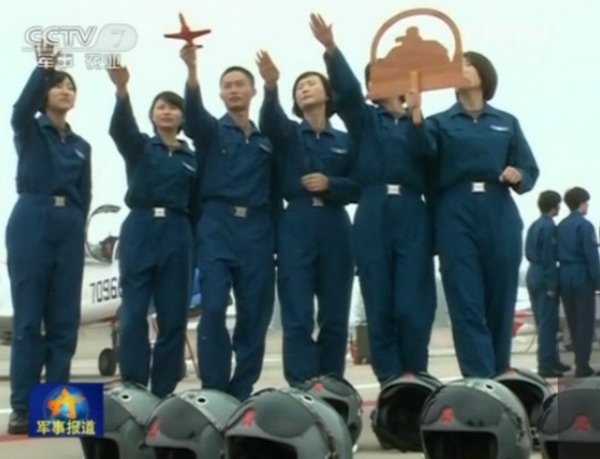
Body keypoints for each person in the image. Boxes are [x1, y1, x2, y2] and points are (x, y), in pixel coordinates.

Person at [310, 14, 437, 385]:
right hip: (373, 208)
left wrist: (416, 113)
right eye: (374, 78)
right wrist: (331, 50)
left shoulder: (421, 122)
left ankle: (416, 373)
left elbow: (428, 153)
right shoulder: (365, 121)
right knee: (378, 299)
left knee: (412, 302)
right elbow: (347, 92)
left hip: (412, 209)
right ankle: (390, 379)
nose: (379, 83)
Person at [424, 51, 539, 377]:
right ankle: (479, 378)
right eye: (456, 66)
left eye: (468, 64)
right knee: (465, 300)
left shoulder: (506, 122)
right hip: (454, 208)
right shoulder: (438, 124)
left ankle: (500, 373)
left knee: (500, 299)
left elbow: (529, 168)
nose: (461, 70)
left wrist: (518, 173)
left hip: (498, 206)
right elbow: (423, 158)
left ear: (483, 74)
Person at [256, 51, 360, 386]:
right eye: (299, 87)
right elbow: (269, 122)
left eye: (311, 83)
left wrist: (332, 185)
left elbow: (359, 186)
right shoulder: (288, 135)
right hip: (297, 224)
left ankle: (331, 383)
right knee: (297, 313)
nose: (304, 89)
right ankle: (302, 384)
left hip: (335, 224)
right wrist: (271, 86)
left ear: (327, 94)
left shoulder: (346, 141)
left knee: (335, 314)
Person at [180, 44, 278, 400]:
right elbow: (193, 117)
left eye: (240, 84)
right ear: (220, 94)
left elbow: (276, 189)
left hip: (257, 229)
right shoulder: (211, 132)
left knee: (255, 313)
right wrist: (192, 71)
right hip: (217, 226)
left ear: (252, 91)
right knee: (214, 306)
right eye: (227, 86)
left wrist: (273, 85)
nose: (234, 90)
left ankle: (241, 387)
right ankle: (215, 388)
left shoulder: (267, 141)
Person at [7, 42, 92, 434]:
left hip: (69, 223)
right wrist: (43, 69)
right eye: (58, 85)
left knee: (64, 319)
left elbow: (85, 193)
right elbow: (19, 110)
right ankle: (23, 406)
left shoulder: (81, 146)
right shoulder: (31, 130)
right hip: (32, 217)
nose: (65, 91)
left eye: (71, 87)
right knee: (29, 320)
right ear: (45, 94)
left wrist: (77, 227)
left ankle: (57, 410)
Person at [107, 62, 198, 398]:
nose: (167, 112)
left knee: (173, 317)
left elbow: (198, 205)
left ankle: (162, 390)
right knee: (133, 314)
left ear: (182, 116)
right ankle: (134, 384)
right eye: (161, 107)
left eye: (173, 107)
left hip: (178, 232)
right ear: (151, 115)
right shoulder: (141, 147)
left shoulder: (192, 159)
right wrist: (121, 90)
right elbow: (120, 130)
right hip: (141, 228)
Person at [525, 191, 571, 377]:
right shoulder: (549, 226)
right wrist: (552, 284)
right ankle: (546, 364)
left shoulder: (535, 225)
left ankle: (551, 359)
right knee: (547, 324)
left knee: (542, 321)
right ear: (554, 207)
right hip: (544, 276)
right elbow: (548, 257)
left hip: (533, 274)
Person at [557, 187, 600, 377]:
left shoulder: (561, 226)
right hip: (581, 274)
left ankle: (578, 360)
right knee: (584, 321)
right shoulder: (585, 226)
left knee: (572, 320)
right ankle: (583, 365)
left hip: (564, 273)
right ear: (582, 203)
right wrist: (598, 281)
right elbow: (592, 256)